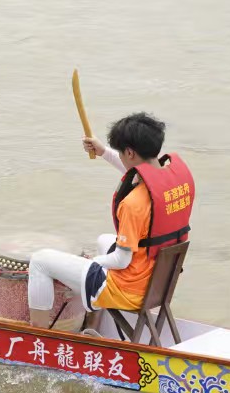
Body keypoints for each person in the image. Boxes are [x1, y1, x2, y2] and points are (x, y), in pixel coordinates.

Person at [26, 112, 195, 330]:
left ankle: (37, 336)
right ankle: (93, 327)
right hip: (159, 282)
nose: (122, 158)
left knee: (40, 260)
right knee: (104, 239)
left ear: (131, 152)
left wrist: (92, 263)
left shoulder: (134, 204)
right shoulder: (177, 180)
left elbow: (122, 261)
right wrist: (104, 152)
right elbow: (139, 171)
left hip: (130, 291)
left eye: (122, 154)